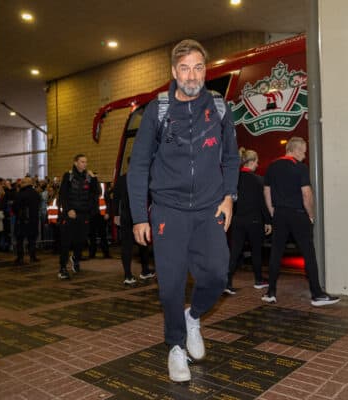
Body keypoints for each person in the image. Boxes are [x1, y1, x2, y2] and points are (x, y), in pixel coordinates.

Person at [127, 39, 239, 382]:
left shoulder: (219, 107)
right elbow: (139, 165)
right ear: (174, 72)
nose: (193, 75)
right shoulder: (157, 110)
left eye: (199, 67)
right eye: (185, 68)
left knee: (218, 276)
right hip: (168, 211)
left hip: (209, 208)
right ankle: (175, 347)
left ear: (206, 70)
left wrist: (229, 196)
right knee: (169, 287)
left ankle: (194, 317)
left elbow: (232, 157)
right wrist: (139, 216)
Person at [262, 137, 339, 307]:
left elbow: (266, 192)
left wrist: (273, 212)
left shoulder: (272, 167)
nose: (304, 155)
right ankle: (317, 294)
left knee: (276, 253)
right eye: (303, 152)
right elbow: (307, 194)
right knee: (308, 254)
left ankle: (270, 292)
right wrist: (311, 214)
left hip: (280, 214)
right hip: (298, 214)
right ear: (295, 150)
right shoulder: (301, 168)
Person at [225, 148, 272, 295]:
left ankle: (227, 282)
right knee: (256, 251)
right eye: (257, 162)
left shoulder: (234, 179)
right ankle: (258, 280)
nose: (258, 165)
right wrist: (268, 221)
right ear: (251, 162)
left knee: (235, 252)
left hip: (237, 220)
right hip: (254, 220)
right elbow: (262, 203)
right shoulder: (259, 180)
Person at [57, 154, 98, 279]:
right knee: (66, 242)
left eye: (86, 162)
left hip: (84, 214)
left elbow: (96, 193)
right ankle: (63, 268)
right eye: (82, 161)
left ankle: (75, 257)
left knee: (80, 241)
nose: (84, 164)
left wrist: (94, 179)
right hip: (70, 214)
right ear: (76, 163)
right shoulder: (68, 176)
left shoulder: (89, 177)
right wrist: (68, 210)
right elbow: (62, 195)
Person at [114, 171, 154, 285]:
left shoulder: (122, 178)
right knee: (141, 242)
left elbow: (115, 197)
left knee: (131, 245)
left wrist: (116, 214)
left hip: (127, 215)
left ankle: (132, 274)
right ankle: (141, 272)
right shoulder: (144, 177)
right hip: (139, 216)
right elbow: (151, 196)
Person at [12, 177, 41, 265]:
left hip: (21, 221)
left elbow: (14, 207)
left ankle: (20, 257)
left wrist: (18, 214)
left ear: (25, 183)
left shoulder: (19, 194)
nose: (21, 183)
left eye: (22, 182)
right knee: (32, 239)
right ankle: (33, 256)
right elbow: (37, 206)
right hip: (33, 220)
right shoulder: (36, 194)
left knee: (20, 240)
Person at [88, 178, 111, 259]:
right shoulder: (88, 187)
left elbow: (108, 201)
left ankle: (106, 253)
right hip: (92, 215)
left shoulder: (103, 186)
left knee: (103, 235)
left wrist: (107, 212)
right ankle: (92, 254)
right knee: (92, 236)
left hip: (102, 215)